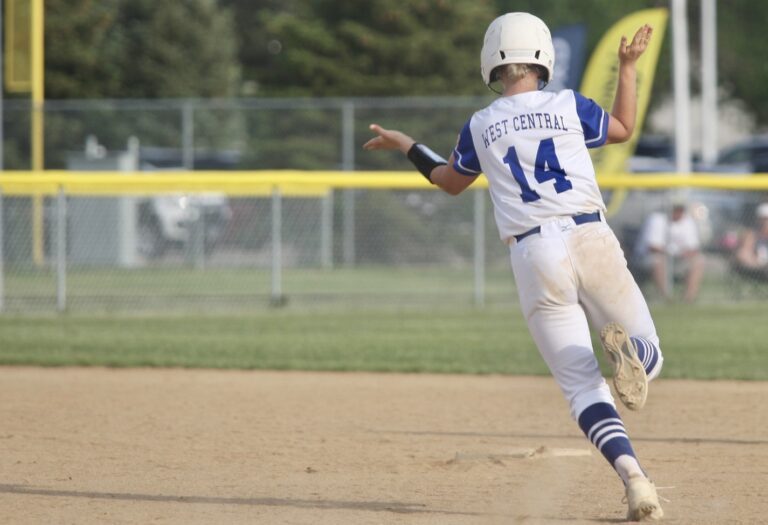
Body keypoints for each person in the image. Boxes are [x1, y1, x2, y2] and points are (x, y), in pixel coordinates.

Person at [364, 13, 664, 521]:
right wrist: (627, 68)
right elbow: (624, 129)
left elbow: (448, 181)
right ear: (543, 57)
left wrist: (406, 144)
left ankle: (635, 479)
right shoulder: (570, 105)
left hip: (533, 253)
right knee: (650, 359)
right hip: (589, 233)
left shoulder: (481, 124)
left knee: (580, 387)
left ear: (491, 64)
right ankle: (631, 354)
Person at [633, 201, 705, 302]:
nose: (678, 212)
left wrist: (681, 253)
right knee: (658, 260)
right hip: (650, 258)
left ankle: (688, 298)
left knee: (698, 261)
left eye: (680, 209)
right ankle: (666, 298)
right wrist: (671, 252)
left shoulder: (687, 221)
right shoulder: (657, 219)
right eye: (675, 209)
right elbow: (653, 247)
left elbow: (694, 248)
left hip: (678, 259)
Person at [732, 202, 768, 281]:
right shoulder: (752, 234)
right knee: (741, 254)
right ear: (759, 220)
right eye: (764, 219)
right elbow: (743, 254)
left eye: (766, 219)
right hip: (757, 268)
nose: (765, 222)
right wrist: (758, 263)